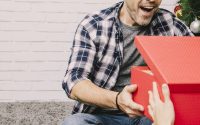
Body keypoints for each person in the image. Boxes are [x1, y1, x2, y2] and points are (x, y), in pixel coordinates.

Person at [62, 0, 193, 124]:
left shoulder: (171, 24)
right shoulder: (95, 25)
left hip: (149, 115)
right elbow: (74, 82)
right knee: (73, 123)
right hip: (103, 114)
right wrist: (117, 100)